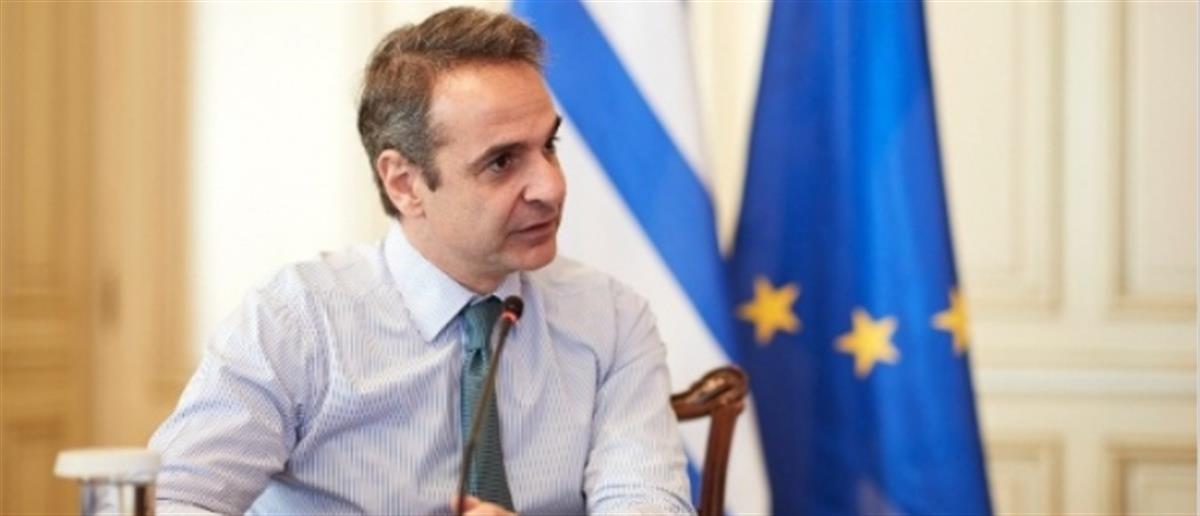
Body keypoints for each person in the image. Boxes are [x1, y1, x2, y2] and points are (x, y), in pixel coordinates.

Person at [149, 6, 693, 515]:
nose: (551, 187)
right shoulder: (297, 320)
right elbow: (170, 501)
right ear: (405, 183)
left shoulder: (611, 318)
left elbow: (647, 503)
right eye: (502, 162)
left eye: (549, 146)